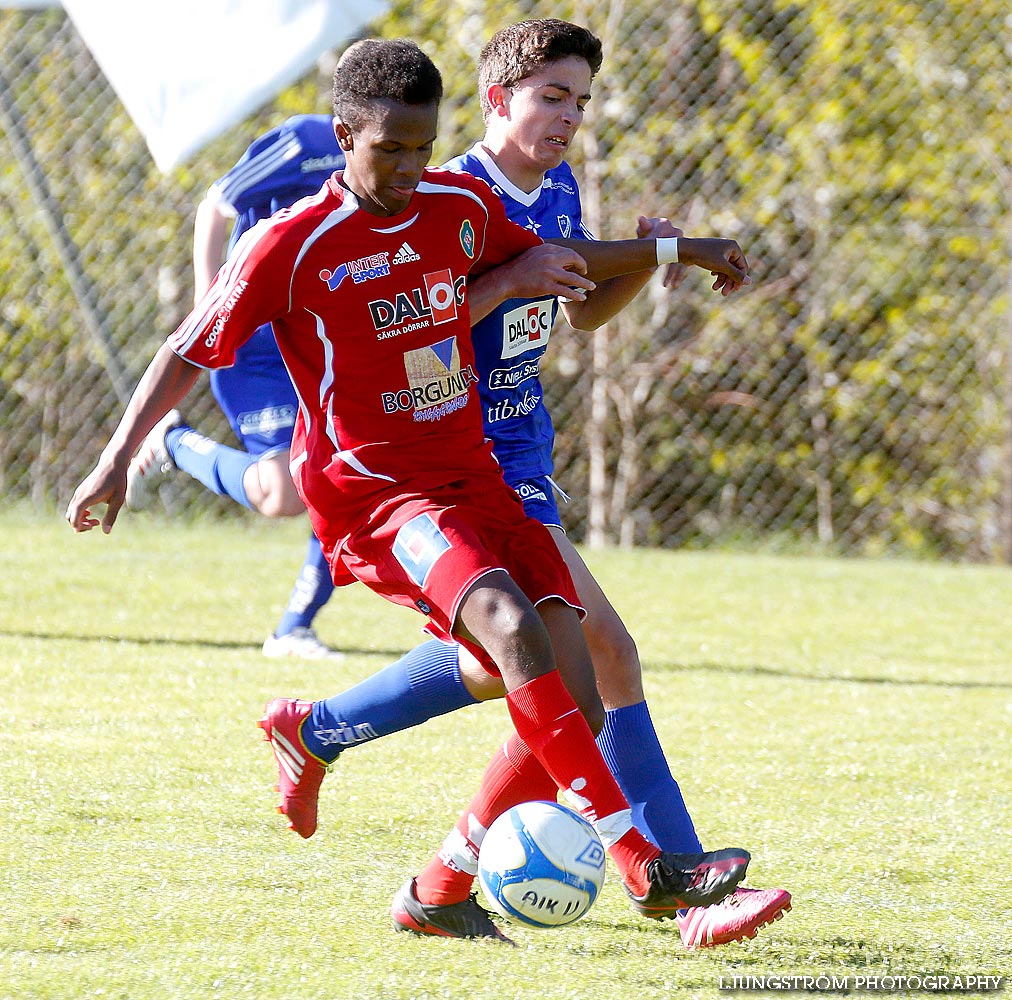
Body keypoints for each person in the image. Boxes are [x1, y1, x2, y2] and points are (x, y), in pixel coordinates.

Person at [67, 37, 755, 945]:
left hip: (475, 472)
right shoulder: (293, 241)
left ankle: (430, 880)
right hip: (377, 496)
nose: (406, 168)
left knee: (570, 681)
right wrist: (117, 458)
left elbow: (562, 265)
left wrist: (670, 249)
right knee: (516, 633)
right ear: (344, 135)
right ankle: (649, 867)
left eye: (421, 148)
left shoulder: (457, 204)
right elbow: (187, 345)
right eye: (387, 148)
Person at [258, 20, 790, 951]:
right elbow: (408, 320)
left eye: (581, 100)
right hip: (460, 461)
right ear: (497, 98)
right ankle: (680, 884)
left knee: (507, 665)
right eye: (551, 95)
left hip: (522, 451)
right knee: (603, 657)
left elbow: (579, 309)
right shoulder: (448, 191)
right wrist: (530, 279)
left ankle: (349, 766)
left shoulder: (557, 189)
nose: (569, 116)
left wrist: (646, 258)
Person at [126, 114, 346, 661]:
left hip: (326, 340)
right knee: (283, 495)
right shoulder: (305, 141)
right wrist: (211, 300)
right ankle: (172, 441)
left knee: (347, 475)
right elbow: (218, 203)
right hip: (257, 347)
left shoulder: (404, 155)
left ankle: (295, 627)